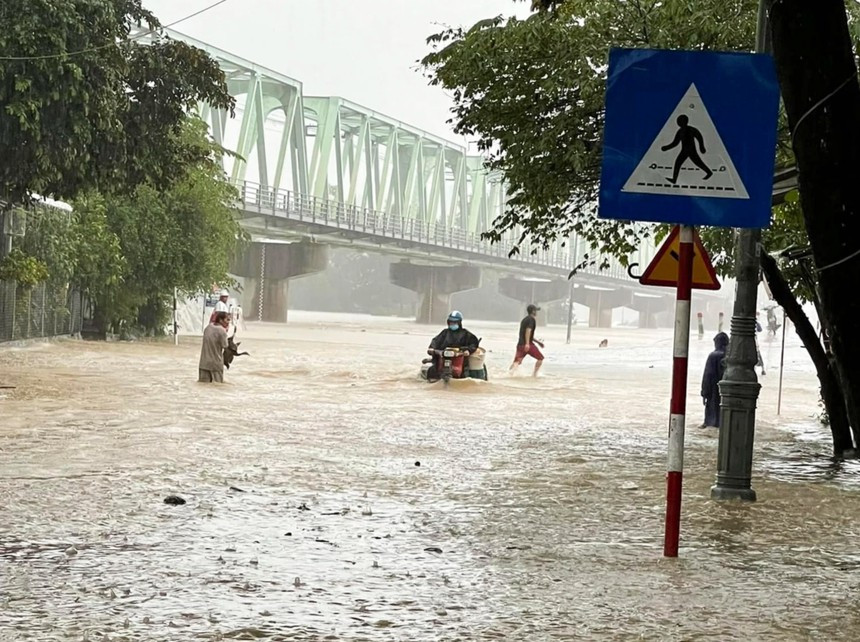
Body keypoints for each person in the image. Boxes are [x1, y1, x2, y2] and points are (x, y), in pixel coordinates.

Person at [426, 311, 479, 379]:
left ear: (459, 323)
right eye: (451, 322)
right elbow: (435, 341)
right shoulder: (444, 333)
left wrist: (468, 350)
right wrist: (432, 348)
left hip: (460, 359)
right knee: (432, 371)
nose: (452, 324)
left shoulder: (465, 334)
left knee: (465, 375)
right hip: (442, 357)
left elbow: (474, 343)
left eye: (455, 322)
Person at [661, 115, 713, 184]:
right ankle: (674, 179)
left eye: (681, 121)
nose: (679, 123)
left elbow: (699, 136)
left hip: (691, 150)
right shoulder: (680, 132)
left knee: (698, 162)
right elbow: (675, 143)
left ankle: (709, 172)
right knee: (678, 163)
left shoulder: (691, 129)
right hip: (684, 151)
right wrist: (666, 147)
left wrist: (702, 147)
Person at [701, 332, 729, 428]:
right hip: (726, 392)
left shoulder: (713, 356)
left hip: (713, 391)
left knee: (710, 423)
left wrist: (704, 393)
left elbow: (707, 375)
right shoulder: (730, 357)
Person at [510, 304, 544, 377]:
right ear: (533, 311)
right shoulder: (531, 319)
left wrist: (538, 342)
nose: (536, 312)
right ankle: (534, 375)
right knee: (540, 358)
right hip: (527, 345)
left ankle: (509, 374)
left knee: (517, 362)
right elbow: (528, 331)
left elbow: (528, 334)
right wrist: (527, 344)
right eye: (536, 310)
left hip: (520, 345)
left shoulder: (525, 319)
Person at [199, 311, 229, 383]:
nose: (228, 322)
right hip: (215, 365)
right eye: (227, 319)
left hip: (203, 363)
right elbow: (225, 346)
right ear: (220, 320)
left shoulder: (208, 328)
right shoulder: (222, 331)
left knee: (203, 386)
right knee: (217, 387)